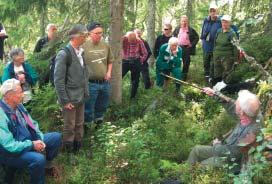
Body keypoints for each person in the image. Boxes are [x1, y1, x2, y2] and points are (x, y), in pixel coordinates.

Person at [0, 79, 61, 184]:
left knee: (56, 137)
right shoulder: (1, 115)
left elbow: (33, 124)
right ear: (9, 95)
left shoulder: (19, 106)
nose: (23, 95)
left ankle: (47, 167)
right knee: (38, 159)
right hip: (10, 153)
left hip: (27, 141)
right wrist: (32, 145)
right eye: (19, 92)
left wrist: (39, 138)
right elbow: (9, 145)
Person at [188, 88, 262, 170]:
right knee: (196, 151)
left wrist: (217, 145)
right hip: (225, 148)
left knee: (203, 166)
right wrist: (215, 94)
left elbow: (234, 154)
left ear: (242, 113)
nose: (235, 105)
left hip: (233, 161)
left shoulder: (253, 131)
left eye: (237, 105)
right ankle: (187, 174)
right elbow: (230, 104)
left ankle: (192, 176)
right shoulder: (249, 110)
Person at [54, 24, 89, 154]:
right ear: (76, 37)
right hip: (69, 99)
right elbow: (58, 80)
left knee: (79, 124)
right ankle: (68, 152)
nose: (85, 38)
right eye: (83, 35)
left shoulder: (81, 51)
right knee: (69, 126)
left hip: (80, 96)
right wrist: (65, 100)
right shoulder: (63, 54)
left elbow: (83, 74)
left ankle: (78, 148)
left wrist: (86, 93)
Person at [82, 22, 113, 126]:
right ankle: (87, 128)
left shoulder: (105, 45)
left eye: (101, 33)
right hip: (91, 83)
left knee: (102, 106)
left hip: (105, 83)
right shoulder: (83, 46)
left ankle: (99, 127)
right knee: (88, 108)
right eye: (97, 33)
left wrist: (108, 72)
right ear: (90, 33)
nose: (100, 35)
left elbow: (110, 61)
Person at [212, 15, 239, 86]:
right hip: (217, 55)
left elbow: (236, 47)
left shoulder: (232, 33)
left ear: (229, 23)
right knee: (217, 71)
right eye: (223, 22)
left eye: (226, 22)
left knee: (227, 72)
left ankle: (225, 88)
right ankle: (217, 87)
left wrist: (236, 60)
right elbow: (215, 43)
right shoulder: (219, 31)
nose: (224, 24)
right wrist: (214, 52)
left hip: (227, 58)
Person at [122, 31, 148, 99]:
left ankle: (132, 97)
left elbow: (145, 53)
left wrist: (141, 60)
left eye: (133, 41)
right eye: (130, 41)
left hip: (136, 61)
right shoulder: (123, 40)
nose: (132, 42)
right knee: (119, 77)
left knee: (135, 81)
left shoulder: (139, 41)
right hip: (125, 61)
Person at [200, 4, 222, 83]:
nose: (212, 13)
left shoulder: (220, 21)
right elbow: (203, 31)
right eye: (211, 11)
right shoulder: (206, 20)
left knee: (214, 63)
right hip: (206, 45)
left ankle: (213, 78)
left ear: (217, 11)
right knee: (206, 62)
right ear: (209, 12)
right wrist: (202, 40)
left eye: (214, 11)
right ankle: (206, 77)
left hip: (215, 46)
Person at [173, 15, 199, 80]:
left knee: (186, 62)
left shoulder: (190, 29)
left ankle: (184, 76)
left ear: (187, 22)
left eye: (185, 21)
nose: (184, 22)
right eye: (183, 21)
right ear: (180, 21)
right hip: (178, 48)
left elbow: (197, 37)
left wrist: (192, 44)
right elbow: (173, 36)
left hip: (186, 48)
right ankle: (177, 75)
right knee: (177, 61)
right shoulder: (177, 28)